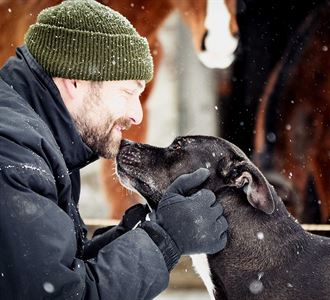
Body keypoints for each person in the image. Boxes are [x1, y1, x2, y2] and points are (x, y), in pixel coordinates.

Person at [0, 0, 228, 299]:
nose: (137, 115)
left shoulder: (42, 143)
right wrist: (165, 240)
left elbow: (51, 271)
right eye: (126, 92)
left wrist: (133, 233)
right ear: (75, 81)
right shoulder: (14, 155)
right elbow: (58, 295)